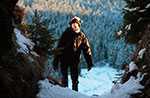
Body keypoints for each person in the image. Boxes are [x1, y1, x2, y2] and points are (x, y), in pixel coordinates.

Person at [52, 16, 93, 91]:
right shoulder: (66, 34)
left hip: (75, 61)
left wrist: (89, 63)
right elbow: (59, 48)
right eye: (73, 23)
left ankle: (75, 95)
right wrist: (55, 62)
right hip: (64, 60)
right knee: (64, 80)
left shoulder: (82, 36)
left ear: (79, 25)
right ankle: (64, 94)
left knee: (75, 81)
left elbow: (87, 50)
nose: (74, 25)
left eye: (76, 23)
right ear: (70, 25)